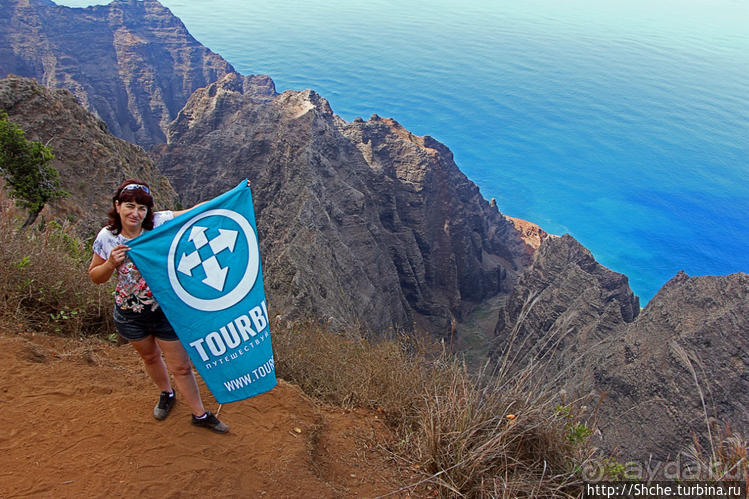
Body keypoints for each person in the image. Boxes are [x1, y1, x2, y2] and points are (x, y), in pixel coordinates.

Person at [88, 179, 229, 433]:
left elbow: (198, 210)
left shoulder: (159, 223)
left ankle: (199, 413)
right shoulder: (107, 237)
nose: (136, 213)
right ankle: (166, 393)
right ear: (117, 206)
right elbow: (95, 276)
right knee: (150, 356)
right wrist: (110, 264)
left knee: (181, 366)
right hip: (130, 314)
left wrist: (234, 194)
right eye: (129, 206)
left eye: (142, 208)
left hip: (164, 311)